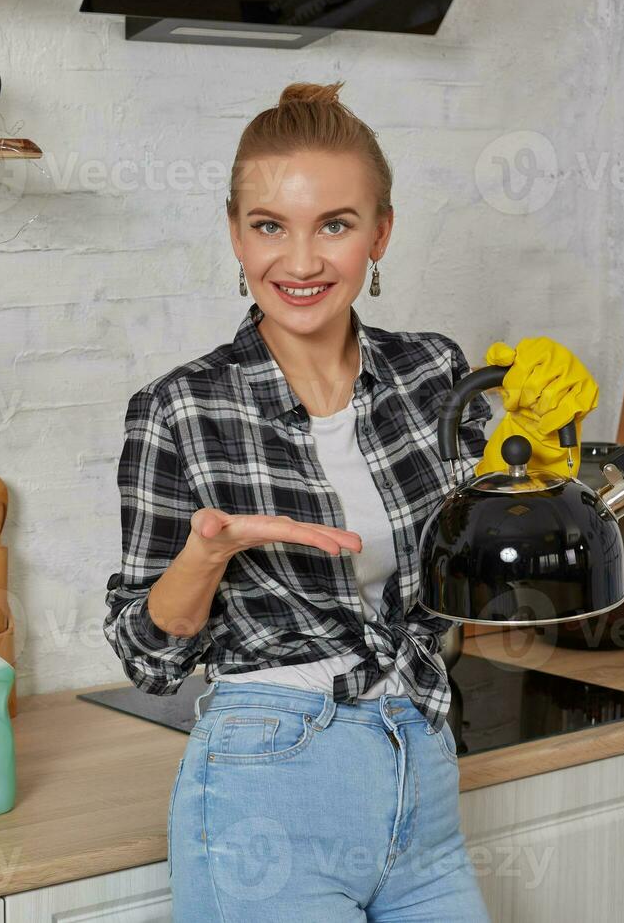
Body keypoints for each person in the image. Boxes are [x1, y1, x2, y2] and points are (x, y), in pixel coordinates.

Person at [103, 81, 598, 922]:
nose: (299, 263)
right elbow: (147, 661)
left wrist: (545, 450)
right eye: (270, 226)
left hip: (423, 774)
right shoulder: (181, 408)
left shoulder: (433, 374)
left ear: (380, 234)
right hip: (270, 787)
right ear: (235, 232)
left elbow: (492, 568)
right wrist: (208, 553)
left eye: (334, 224)